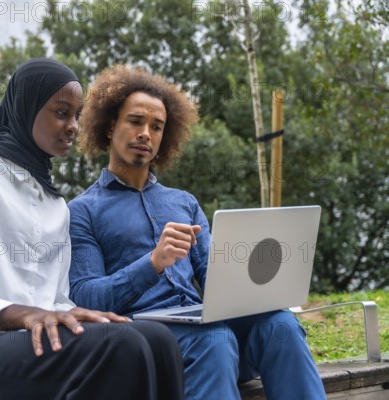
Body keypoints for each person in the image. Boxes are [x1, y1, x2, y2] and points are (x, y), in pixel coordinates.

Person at [0, 58, 184, 400]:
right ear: (27, 108)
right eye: (61, 112)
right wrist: (18, 314)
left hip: (29, 348)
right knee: (123, 345)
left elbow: (50, 302)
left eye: (77, 116)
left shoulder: (55, 205)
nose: (73, 126)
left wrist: (70, 312)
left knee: (159, 341)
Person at [67, 64, 326, 399]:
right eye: (135, 121)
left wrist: (260, 281)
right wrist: (152, 263)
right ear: (108, 126)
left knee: (280, 324)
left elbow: (215, 278)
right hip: (143, 344)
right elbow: (85, 297)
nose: (146, 133)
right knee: (213, 338)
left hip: (206, 334)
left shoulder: (183, 203)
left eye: (157, 127)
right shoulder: (81, 211)